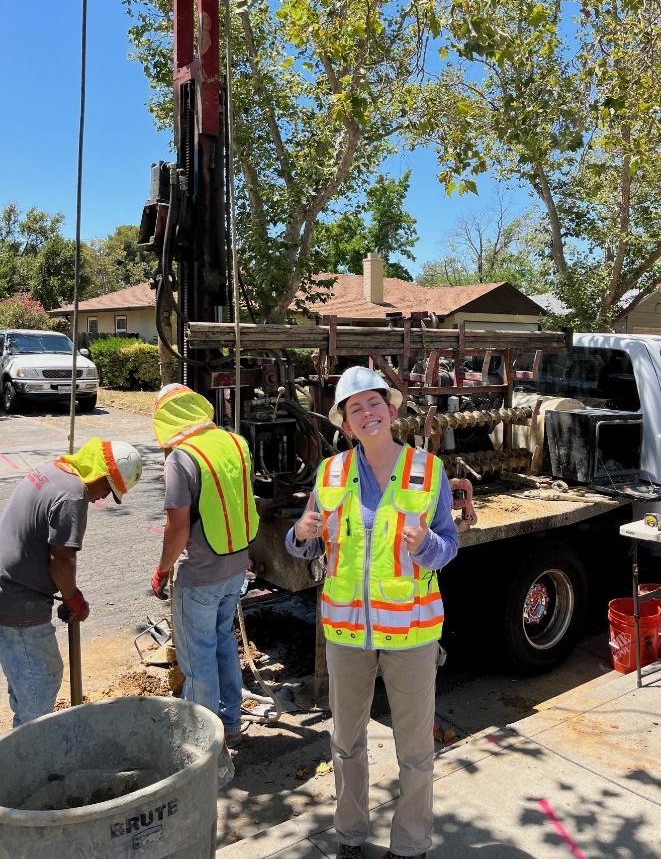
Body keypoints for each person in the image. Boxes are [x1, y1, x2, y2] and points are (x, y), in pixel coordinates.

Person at [286, 366, 458, 859]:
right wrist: (300, 535)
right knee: (345, 744)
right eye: (355, 408)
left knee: (416, 751)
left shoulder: (428, 471)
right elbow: (303, 539)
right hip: (345, 632)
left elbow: (449, 545)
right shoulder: (331, 473)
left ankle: (410, 846)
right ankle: (350, 837)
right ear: (344, 423)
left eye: (374, 404)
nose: (367, 414)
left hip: (412, 633)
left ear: (391, 409)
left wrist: (428, 546)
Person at [0, 438, 142, 726]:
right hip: (19, 598)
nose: (101, 499)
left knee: (24, 678)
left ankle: (23, 742)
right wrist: (74, 599)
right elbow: (61, 561)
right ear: (101, 476)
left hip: (8, 587)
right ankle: (32, 759)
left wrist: (68, 596)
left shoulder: (53, 470)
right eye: (107, 490)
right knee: (40, 682)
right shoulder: (74, 493)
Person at [150, 383, 259, 747]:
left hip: (200, 576)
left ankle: (203, 745)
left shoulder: (181, 458)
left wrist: (163, 570)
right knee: (224, 643)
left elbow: (177, 527)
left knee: (197, 659)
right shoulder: (235, 442)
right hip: (236, 568)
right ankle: (230, 723)